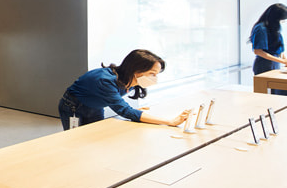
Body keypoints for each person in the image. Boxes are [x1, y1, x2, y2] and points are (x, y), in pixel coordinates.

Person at [57, 49, 189, 130]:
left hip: (95, 106)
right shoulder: (105, 80)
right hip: (74, 106)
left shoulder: (131, 80)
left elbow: (123, 107)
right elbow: (125, 111)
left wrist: (133, 111)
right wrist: (170, 122)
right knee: (75, 139)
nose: (154, 78)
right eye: (152, 73)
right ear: (136, 70)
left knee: (94, 135)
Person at [251, 3, 287, 95]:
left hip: (275, 64)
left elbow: (279, 48)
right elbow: (258, 51)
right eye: (283, 19)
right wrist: (283, 61)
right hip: (264, 65)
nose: (283, 21)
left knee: (282, 94)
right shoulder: (261, 28)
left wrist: (286, 61)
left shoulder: (274, 27)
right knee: (270, 96)